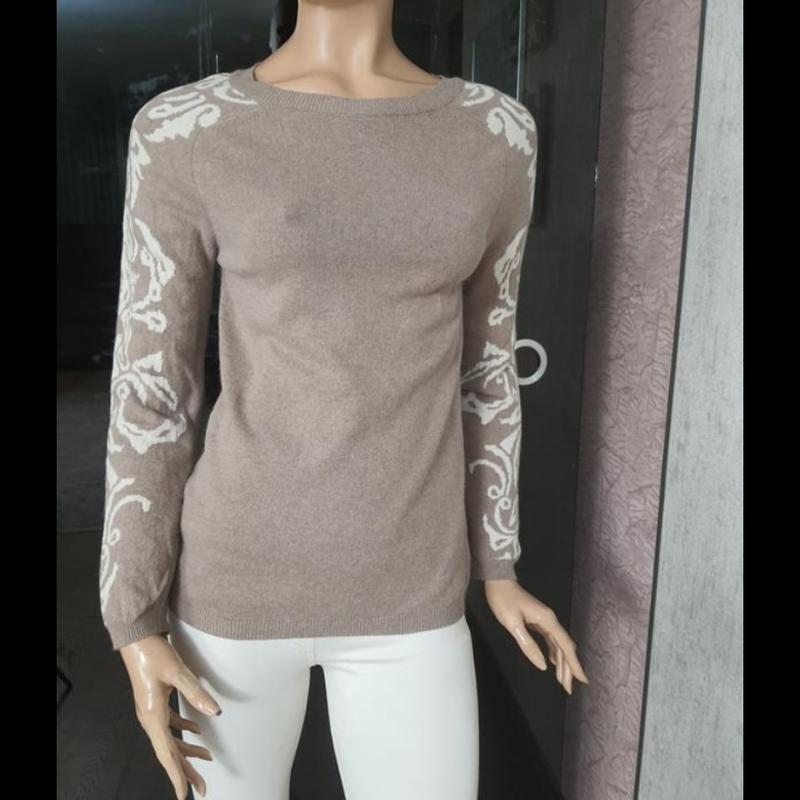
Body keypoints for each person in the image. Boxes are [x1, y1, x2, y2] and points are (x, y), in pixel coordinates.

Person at [100, 6, 588, 799]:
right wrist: (133, 614)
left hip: (414, 588)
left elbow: (487, 371)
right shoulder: (186, 129)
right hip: (236, 586)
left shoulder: (495, 134)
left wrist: (498, 567)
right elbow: (154, 389)